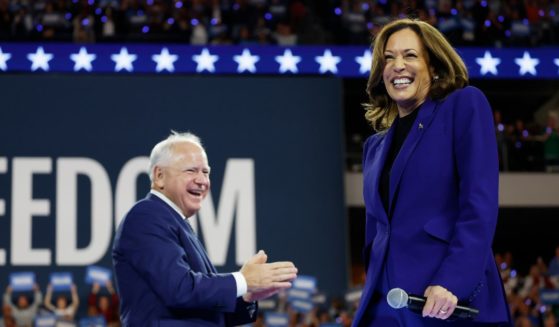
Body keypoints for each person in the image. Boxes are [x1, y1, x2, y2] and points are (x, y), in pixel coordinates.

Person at [352, 18, 511, 326]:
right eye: (388, 58)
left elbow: (479, 204)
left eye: (410, 55)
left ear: (434, 66)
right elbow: (376, 234)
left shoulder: (463, 106)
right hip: (384, 307)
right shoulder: (374, 147)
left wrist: (453, 280)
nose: (397, 65)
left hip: (445, 301)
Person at [112, 131, 298, 326]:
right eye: (191, 171)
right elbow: (180, 290)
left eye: (206, 172)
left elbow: (205, 310)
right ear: (159, 176)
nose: (202, 180)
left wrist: (247, 295)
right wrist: (242, 280)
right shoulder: (146, 216)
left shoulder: (176, 221)